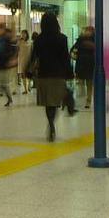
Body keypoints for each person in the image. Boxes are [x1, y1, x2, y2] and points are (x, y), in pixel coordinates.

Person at [31, 11, 74, 141]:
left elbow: (34, 57)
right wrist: (69, 73)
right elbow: (65, 58)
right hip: (58, 74)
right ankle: (67, 102)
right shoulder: (62, 38)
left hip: (44, 74)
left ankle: (51, 125)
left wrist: (29, 71)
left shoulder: (39, 39)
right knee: (55, 101)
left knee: (48, 103)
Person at [0, 26, 17, 107]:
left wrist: (11, 60)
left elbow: (12, 51)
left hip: (5, 64)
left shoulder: (7, 40)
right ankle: (9, 99)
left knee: (2, 83)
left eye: (0, 29)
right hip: (1, 64)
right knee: (3, 83)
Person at [71, 26, 96, 109]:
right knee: (85, 83)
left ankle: (87, 100)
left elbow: (73, 50)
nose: (87, 32)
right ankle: (85, 100)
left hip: (84, 64)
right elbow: (73, 50)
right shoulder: (83, 40)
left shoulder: (81, 40)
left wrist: (74, 55)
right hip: (87, 64)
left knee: (86, 83)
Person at [17, 29, 32, 94]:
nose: (23, 35)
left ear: (27, 34)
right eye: (22, 33)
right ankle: (25, 89)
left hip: (28, 59)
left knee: (29, 74)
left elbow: (31, 51)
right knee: (23, 75)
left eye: (24, 33)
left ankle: (29, 86)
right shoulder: (19, 42)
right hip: (21, 60)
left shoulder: (30, 42)